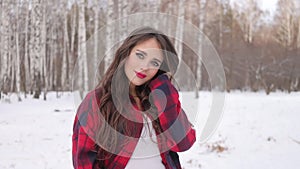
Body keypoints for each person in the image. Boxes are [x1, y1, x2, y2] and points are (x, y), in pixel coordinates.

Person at [72, 27, 196, 169]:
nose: (145, 67)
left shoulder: (159, 100)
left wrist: (164, 90)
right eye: (141, 55)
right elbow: (83, 162)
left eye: (154, 63)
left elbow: (184, 143)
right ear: (127, 53)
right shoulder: (97, 101)